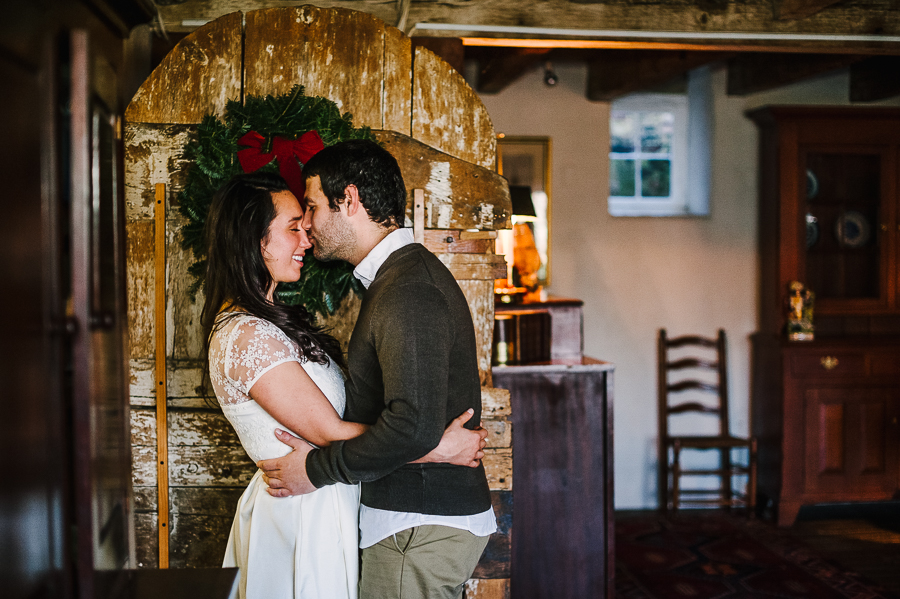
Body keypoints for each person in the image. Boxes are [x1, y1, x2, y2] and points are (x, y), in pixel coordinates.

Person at [201, 172, 485, 599]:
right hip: (300, 513)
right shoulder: (246, 336)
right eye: (293, 228)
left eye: (307, 219)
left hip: (326, 502)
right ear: (254, 240)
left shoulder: (273, 322)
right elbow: (330, 433)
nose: (306, 239)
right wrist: (438, 447)